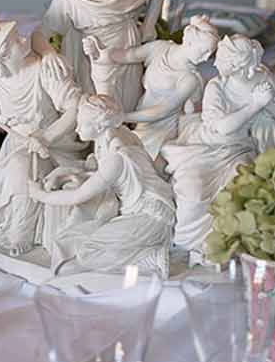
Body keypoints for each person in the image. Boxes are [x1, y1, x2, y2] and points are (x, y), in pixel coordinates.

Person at [0, 6, 82, 259]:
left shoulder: (44, 68)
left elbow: (74, 108)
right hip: (18, 144)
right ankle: (16, 228)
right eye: (13, 41)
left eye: (18, 35)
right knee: (7, 193)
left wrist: (47, 137)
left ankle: (23, 233)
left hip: (55, 142)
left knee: (21, 174)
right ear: (1, 57)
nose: (24, 39)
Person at [163, 37, 275, 258]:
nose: (216, 63)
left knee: (241, 185)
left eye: (222, 59)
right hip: (205, 147)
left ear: (237, 64)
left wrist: (269, 103)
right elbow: (223, 128)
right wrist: (255, 104)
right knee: (192, 189)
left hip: (239, 149)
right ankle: (188, 241)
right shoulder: (217, 87)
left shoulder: (264, 80)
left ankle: (226, 242)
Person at [30, 92, 175, 277]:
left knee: (88, 253)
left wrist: (40, 195)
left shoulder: (116, 156)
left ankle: (150, 259)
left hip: (150, 217)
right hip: (139, 211)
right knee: (80, 240)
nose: (76, 128)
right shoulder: (120, 135)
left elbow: (78, 195)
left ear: (99, 125)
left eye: (82, 123)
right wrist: (61, 174)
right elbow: (96, 173)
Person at [45, 0, 166, 111]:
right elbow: (41, 33)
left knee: (127, 102)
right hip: (90, 55)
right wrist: (48, 53)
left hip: (126, 45)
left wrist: (149, 26)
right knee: (97, 107)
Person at [92, 13, 220, 162]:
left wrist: (124, 117)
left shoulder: (190, 79)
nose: (205, 58)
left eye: (209, 54)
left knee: (130, 159)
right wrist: (100, 53)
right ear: (190, 41)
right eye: (204, 51)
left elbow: (163, 110)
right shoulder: (160, 48)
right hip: (141, 122)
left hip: (162, 131)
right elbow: (128, 55)